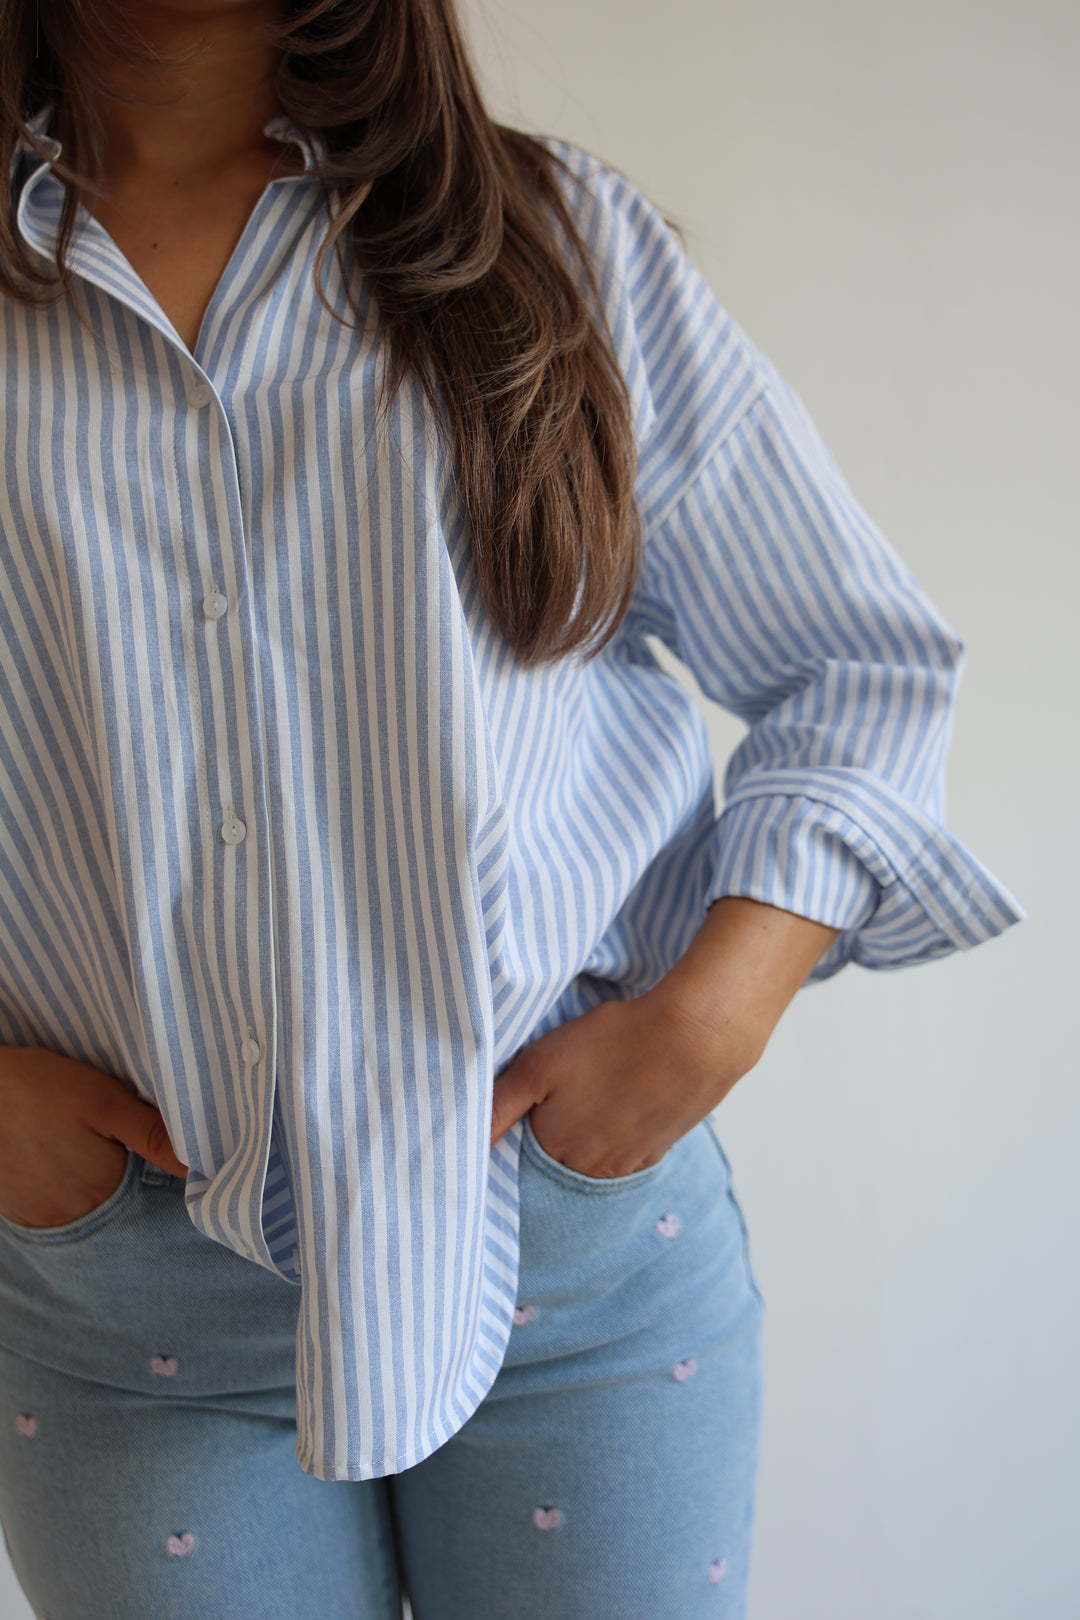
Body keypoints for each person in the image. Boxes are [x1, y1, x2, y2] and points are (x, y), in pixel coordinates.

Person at [0, 0, 1023, 1615]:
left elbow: (858, 663)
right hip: (130, 1304)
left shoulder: (552, 251)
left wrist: (710, 1021)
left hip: (569, 1266)